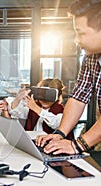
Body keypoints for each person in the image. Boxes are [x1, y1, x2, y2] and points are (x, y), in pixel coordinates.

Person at [36, 0, 101, 155]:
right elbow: (79, 97)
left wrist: (77, 146)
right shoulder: (91, 57)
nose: (76, 41)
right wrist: (60, 134)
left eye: (81, 33)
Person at [7, 78, 74, 139]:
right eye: (42, 93)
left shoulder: (62, 111)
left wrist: (36, 108)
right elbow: (15, 112)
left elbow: (55, 123)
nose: (45, 99)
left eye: (49, 95)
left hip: (51, 146)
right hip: (32, 143)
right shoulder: (33, 107)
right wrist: (18, 99)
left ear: (57, 95)